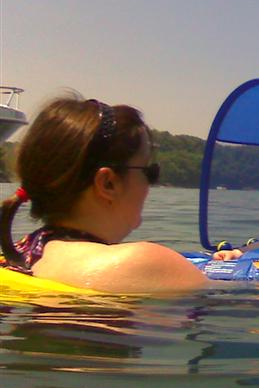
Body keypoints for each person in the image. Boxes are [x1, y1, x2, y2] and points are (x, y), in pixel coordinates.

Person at [0, 95, 207, 293]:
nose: (149, 185)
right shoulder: (148, 264)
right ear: (108, 183)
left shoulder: (15, 256)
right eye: (150, 172)